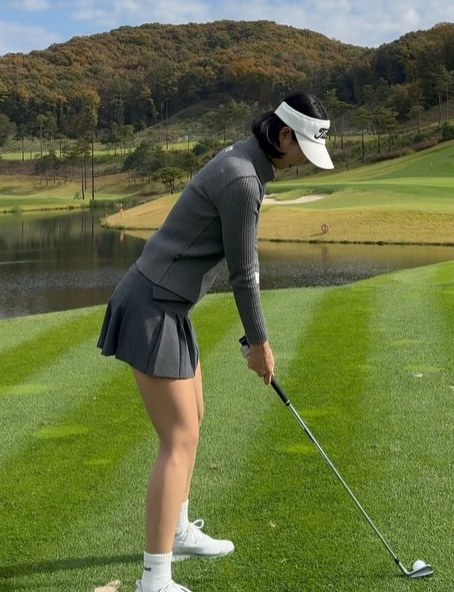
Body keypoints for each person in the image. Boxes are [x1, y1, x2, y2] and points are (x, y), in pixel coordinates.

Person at [97, 92, 334, 592]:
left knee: (195, 416)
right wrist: (260, 344)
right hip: (152, 304)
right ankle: (154, 579)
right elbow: (244, 273)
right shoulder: (244, 179)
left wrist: (255, 338)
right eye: (303, 151)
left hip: (170, 304)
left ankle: (178, 531)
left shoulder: (245, 162)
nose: (303, 163)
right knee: (178, 438)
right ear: (284, 136)